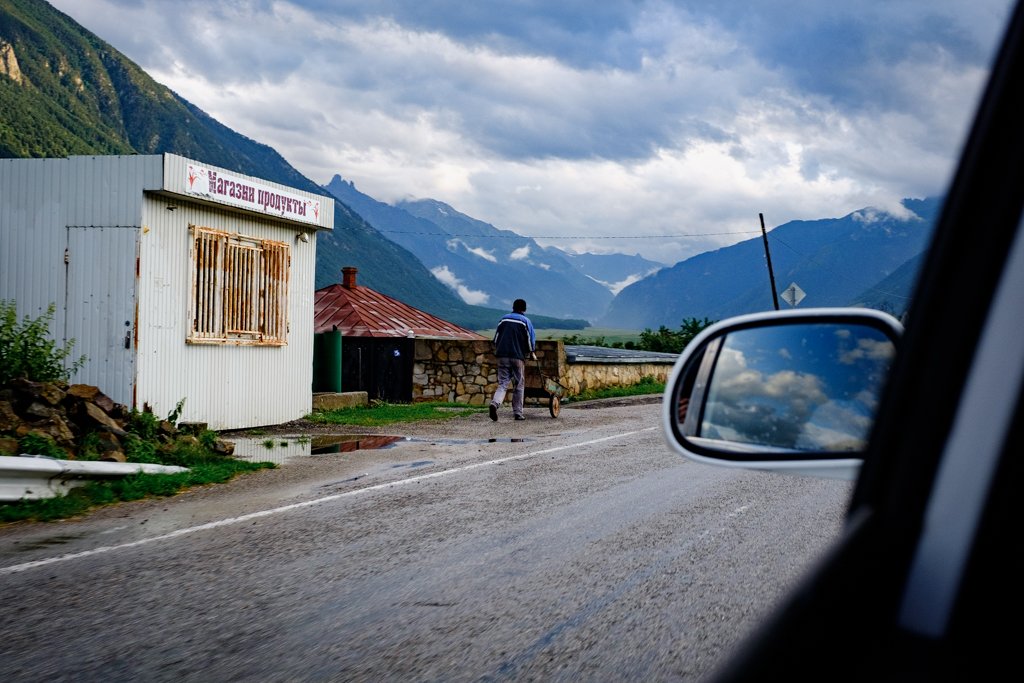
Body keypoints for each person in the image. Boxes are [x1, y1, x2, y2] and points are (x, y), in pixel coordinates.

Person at [489, 298, 536, 421]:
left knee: (503, 383)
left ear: (513, 307)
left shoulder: (503, 319)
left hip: (502, 356)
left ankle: (495, 403)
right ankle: (518, 413)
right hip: (517, 357)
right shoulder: (526, 321)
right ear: (524, 309)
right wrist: (531, 352)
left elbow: (495, 339)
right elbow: (530, 342)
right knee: (519, 384)